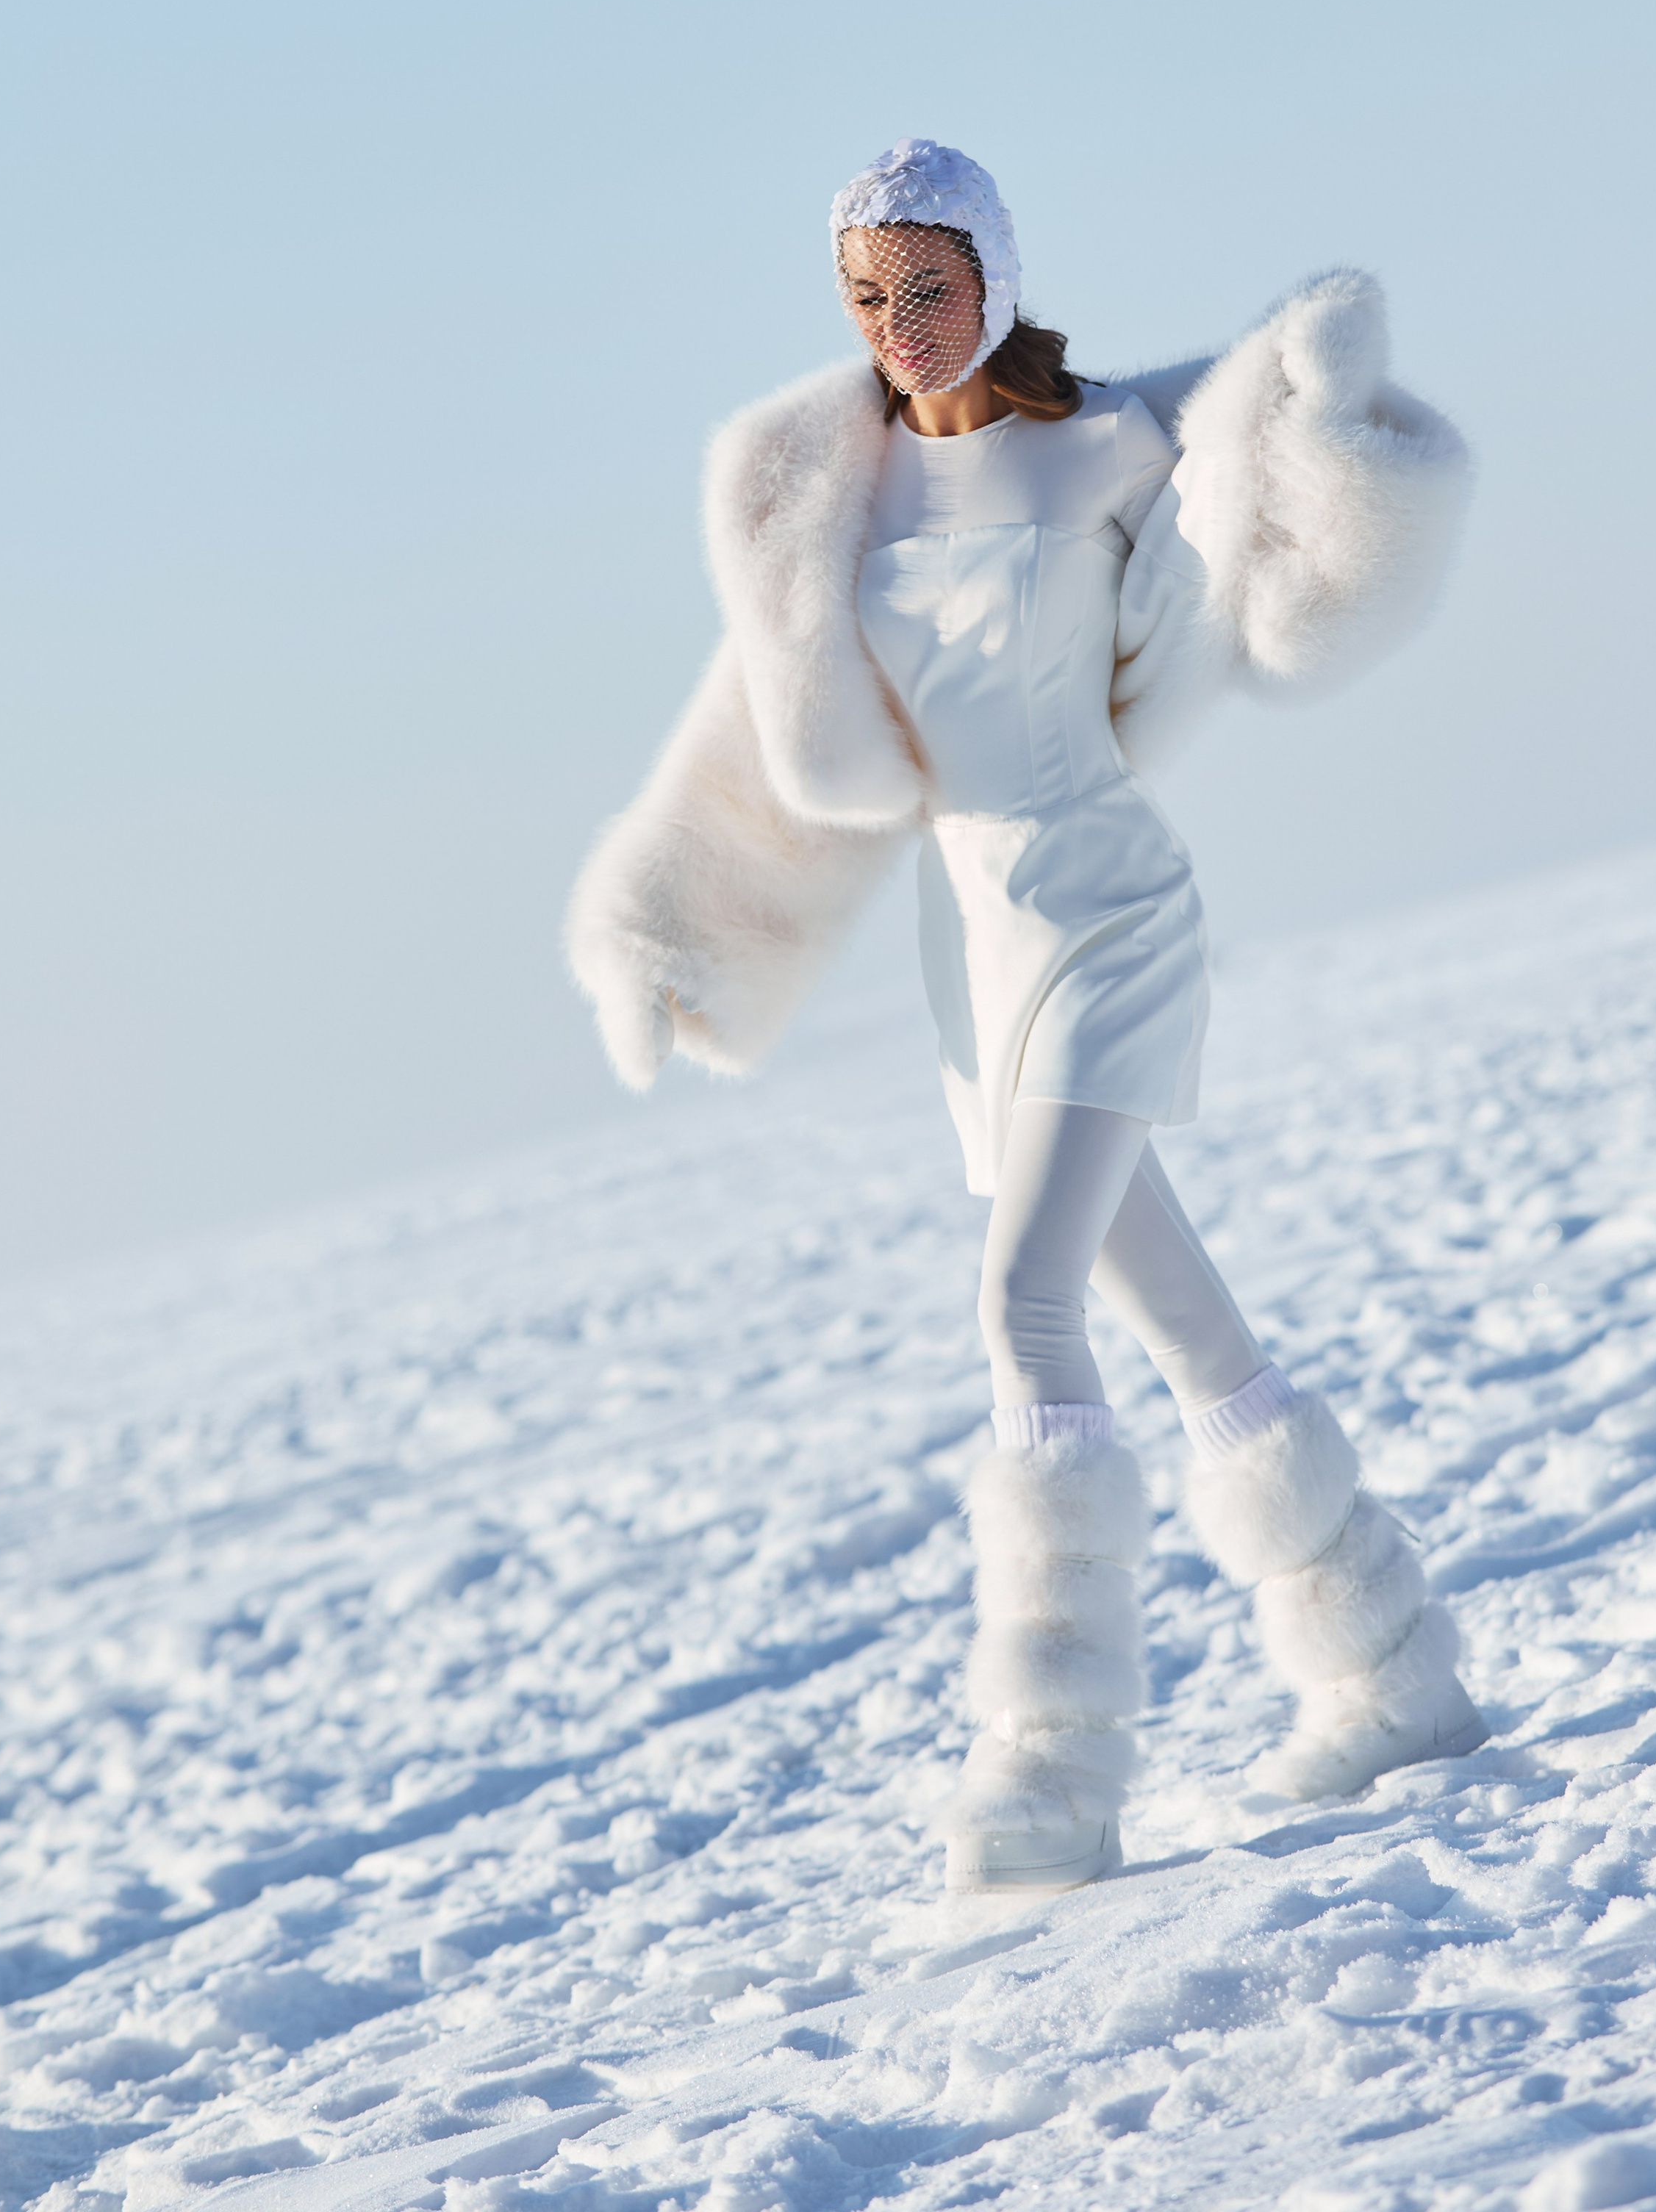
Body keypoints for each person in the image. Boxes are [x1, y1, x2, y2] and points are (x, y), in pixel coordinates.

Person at [567, 137, 1485, 1895]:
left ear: (991, 277)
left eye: (927, 289)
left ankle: (1051, 1774)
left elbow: (1265, 489)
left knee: (1021, 1298)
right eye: (865, 299)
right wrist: (669, 927)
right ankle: (1390, 1674)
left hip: (1103, 900)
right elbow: (751, 732)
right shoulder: (823, 493)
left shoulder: (1103, 450)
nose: (899, 328)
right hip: (964, 935)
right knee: (1183, 1328)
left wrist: (1332, 410)